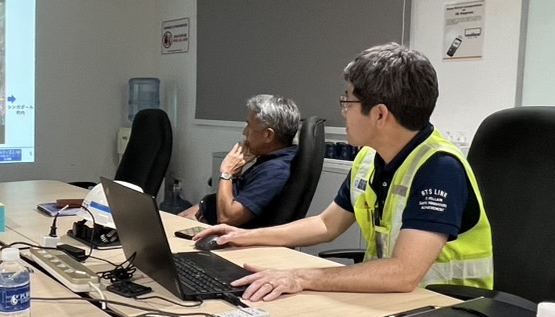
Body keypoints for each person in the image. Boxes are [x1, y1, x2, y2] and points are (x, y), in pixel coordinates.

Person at [198, 43, 492, 300]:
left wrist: (299, 277)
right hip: (397, 301)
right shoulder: (369, 158)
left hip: (448, 309)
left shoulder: (439, 168)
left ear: (379, 114)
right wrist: (242, 236)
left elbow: (403, 273)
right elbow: (326, 225)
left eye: (348, 102)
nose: (343, 111)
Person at [180, 94, 301, 229]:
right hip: (204, 214)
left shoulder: (275, 171)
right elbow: (238, 196)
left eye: (249, 126)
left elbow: (227, 219)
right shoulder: (271, 158)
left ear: (268, 135)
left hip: (214, 229)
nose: (244, 132)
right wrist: (235, 176)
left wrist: (226, 172)